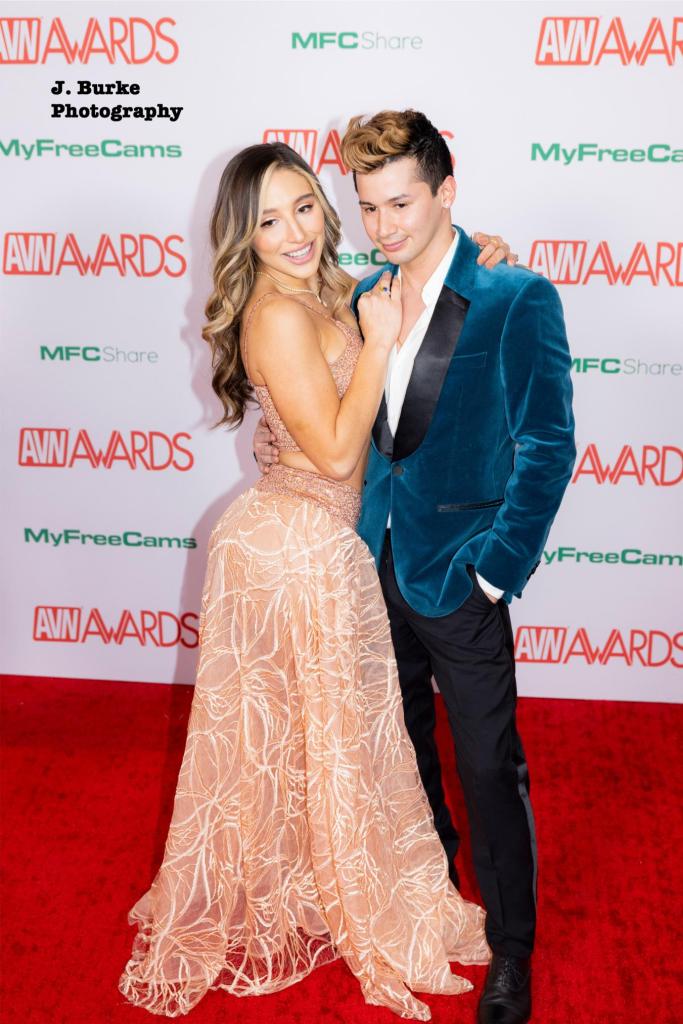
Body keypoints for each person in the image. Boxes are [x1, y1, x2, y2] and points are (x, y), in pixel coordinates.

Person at [119, 140, 502, 1021]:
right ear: (242, 237)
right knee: (328, 740)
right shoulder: (275, 316)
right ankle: (327, 892)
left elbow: (413, 302)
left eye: (302, 208)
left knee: (323, 741)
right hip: (291, 547)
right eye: (268, 220)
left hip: (324, 542)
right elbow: (332, 453)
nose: (293, 232)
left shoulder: (330, 289)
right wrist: (376, 344)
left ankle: (314, 880)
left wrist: (476, 260)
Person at [255, 110, 576, 1024]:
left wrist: (494, 571)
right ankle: (433, 897)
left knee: (487, 766)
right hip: (370, 566)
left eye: (401, 202)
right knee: (400, 753)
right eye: (368, 207)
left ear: (446, 191)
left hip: (459, 576)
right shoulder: (364, 293)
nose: (383, 224)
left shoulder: (514, 296)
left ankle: (511, 948)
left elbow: (547, 447)